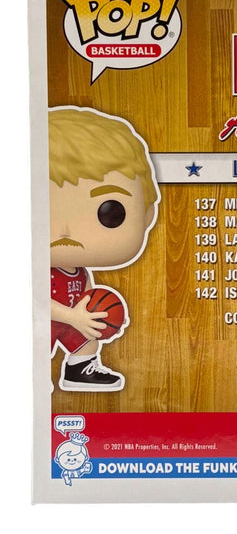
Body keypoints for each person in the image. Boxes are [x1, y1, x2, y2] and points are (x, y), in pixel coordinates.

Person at [49, 107, 159, 391]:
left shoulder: (78, 270)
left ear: (146, 215)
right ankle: (28, 377)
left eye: (109, 212)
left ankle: (79, 369)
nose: (66, 231)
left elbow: (87, 294)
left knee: (87, 340)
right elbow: (35, 303)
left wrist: (103, 316)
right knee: (32, 344)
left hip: (74, 319)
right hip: (45, 322)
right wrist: (74, 316)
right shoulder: (34, 272)